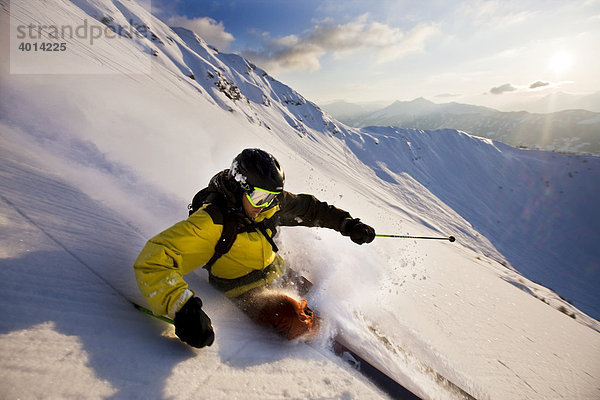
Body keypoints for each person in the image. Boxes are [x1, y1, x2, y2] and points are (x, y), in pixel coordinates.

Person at [133, 148, 376, 348]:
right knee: (293, 320)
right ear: (241, 187)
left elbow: (310, 209)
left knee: (330, 300)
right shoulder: (212, 221)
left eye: (271, 197)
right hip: (245, 290)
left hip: (277, 271)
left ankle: (351, 327)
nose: (265, 205)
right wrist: (183, 309)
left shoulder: (270, 204)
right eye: (259, 197)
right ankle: (325, 330)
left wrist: (347, 224)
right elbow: (154, 259)